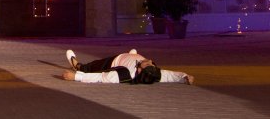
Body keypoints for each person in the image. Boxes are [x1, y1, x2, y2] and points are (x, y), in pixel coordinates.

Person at [62, 49, 194, 85]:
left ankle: (77, 65)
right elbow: (168, 75)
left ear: (139, 70)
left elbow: (101, 77)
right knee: (134, 54)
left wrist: (77, 76)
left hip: (116, 61)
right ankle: (133, 54)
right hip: (131, 57)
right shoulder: (153, 72)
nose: (151, 61)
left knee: (90, 67)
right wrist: (184, 77)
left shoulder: (124, 74)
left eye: (147, 63)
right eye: (152, 64)